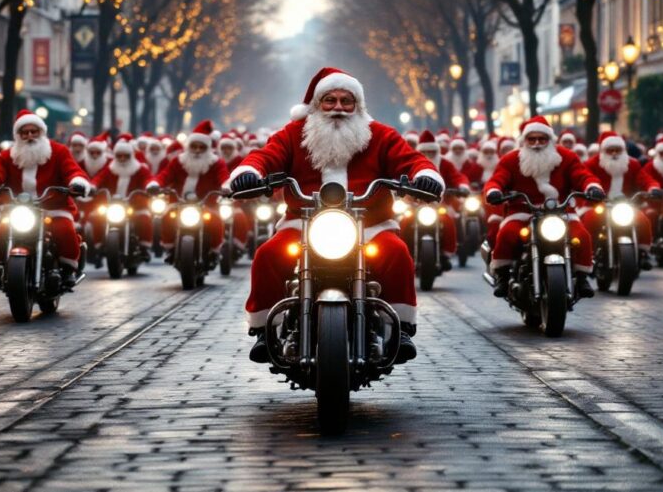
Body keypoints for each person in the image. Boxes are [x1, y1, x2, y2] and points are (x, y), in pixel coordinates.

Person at [229, 67, 444, 364]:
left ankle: (400, 327)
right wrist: (251, 172)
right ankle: (267, 331)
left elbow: (409, 159)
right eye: (330, 100)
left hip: (371, 226)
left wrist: (424, 175)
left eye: (347, 101)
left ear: (358, 105)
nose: (339, 108)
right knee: (268, 254)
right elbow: (266, 155)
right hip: (303, 225)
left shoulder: (380, 135)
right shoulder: (294, 134)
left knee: (397, 253)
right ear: (317, 105)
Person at [484, 116, 604, 299]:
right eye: (532, 139)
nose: (537, 143)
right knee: (506, 233)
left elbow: (582, 175)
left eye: (542, 139)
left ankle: (581, 277)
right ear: (524, 140)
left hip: (561, 211)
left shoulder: (566, 157)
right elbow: (497, 179)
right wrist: (494, 191)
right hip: (523, 211)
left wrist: (592, 187)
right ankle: (502, 274)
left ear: (550, 140)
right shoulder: (511, 160)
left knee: (582, 236)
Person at [0, 109, 92, 287]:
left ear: (41, 132)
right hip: (17, 208)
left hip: (53, 207)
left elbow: (72, 170)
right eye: (24, 132)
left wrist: (77, 182)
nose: (29, 135)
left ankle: (68, 270)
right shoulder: (8, 156)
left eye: (34, 131)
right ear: (18, 135)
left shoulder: (58, 151)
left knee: (64, 230)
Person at [147, 120, 230, 260]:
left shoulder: (216, 163)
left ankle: (214, 251)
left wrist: (227, 187)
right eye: (194, 146)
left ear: (207, 148)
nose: (197, 150)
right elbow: (165, 175)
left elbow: (224, 177)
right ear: (188, 146)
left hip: (207, 204)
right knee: (166, 218)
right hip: (179, 202)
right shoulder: (178, 161)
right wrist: (155, 184)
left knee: (216, 221)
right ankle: (171, 248)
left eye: (201, 147)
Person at [579, 131, 660, 268]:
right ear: (603, 151)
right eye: (610, 150)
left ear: (623, 150)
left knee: (643, 219)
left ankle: (643, 252)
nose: (615, 153)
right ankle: (589, 255)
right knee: (589, 220)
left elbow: (645, 179)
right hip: (599, 205)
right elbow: (585, 178)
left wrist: (653, 188)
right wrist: (591, 190)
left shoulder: (632, 164)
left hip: (624, 204)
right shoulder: (591, 164)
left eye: (618, 150)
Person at [402, 130, 463, 270]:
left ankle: (447, 254)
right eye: (425, 152)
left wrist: (462, 186)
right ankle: (405, 253)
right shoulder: (411, 162)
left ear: (437, 151)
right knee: (404, 222)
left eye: (432, 152)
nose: (429, 155)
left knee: (448, 221)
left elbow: (457, 177)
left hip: (438, 204)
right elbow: (400, 175)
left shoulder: (446, 163)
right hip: (414, 204)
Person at [90, 134, 154, 250]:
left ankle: (144, 245)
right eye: (119, 156)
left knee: (144, 217)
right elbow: (99, 178)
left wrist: (150, 186)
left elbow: (148, 179)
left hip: (134, 204)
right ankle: (99, 245)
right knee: (97, 216)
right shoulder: (110, 168)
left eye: (126, 156)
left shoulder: (140, 168)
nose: (122, 158)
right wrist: (92, 186)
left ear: (131, 156)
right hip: (112, 203)